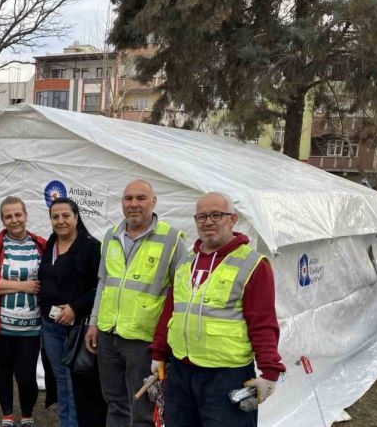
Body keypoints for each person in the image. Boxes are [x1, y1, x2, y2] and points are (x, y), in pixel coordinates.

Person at [149, 192, 285, 427]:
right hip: (182, 370)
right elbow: (172, 310)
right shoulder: (186, 262)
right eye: (201, 216)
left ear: (233, 219)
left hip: (226, 376)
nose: (208, 221)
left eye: (216, 215)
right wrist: (158, 353)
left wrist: (270, 371)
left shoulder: (252, 264)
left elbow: (262, 322)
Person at [85, 180, 186, 427]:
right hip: (109, 336)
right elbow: (103, 283)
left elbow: (182, 295)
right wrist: (94, 322)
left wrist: (166, 343)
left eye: (141, 198)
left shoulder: (172, 240)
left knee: (142, 409)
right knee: (115, 403)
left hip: (144, 341)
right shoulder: (111, 236)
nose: (133, 204)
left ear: (154, 202)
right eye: (128, 198)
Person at [0, 196, 47, 427]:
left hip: (32, 326)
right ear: (2, 220)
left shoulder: (41, 245)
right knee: (3, 371)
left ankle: (27, 415)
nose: (14, 220)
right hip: (1, 326)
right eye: (9, 216)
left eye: (18, 214)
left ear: (26, 215)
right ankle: (7, 415)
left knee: (26, 375)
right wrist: (23, 286)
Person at [39, 197, 107, 427]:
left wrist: (75, 307)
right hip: (51, 327)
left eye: (66, 216)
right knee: (60, 381)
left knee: (75, 384)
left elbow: (101, 286)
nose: (60, 221)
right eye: (55, 217)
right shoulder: (50, 244)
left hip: (76, 329)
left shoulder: (91, 246)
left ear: (76, 217)